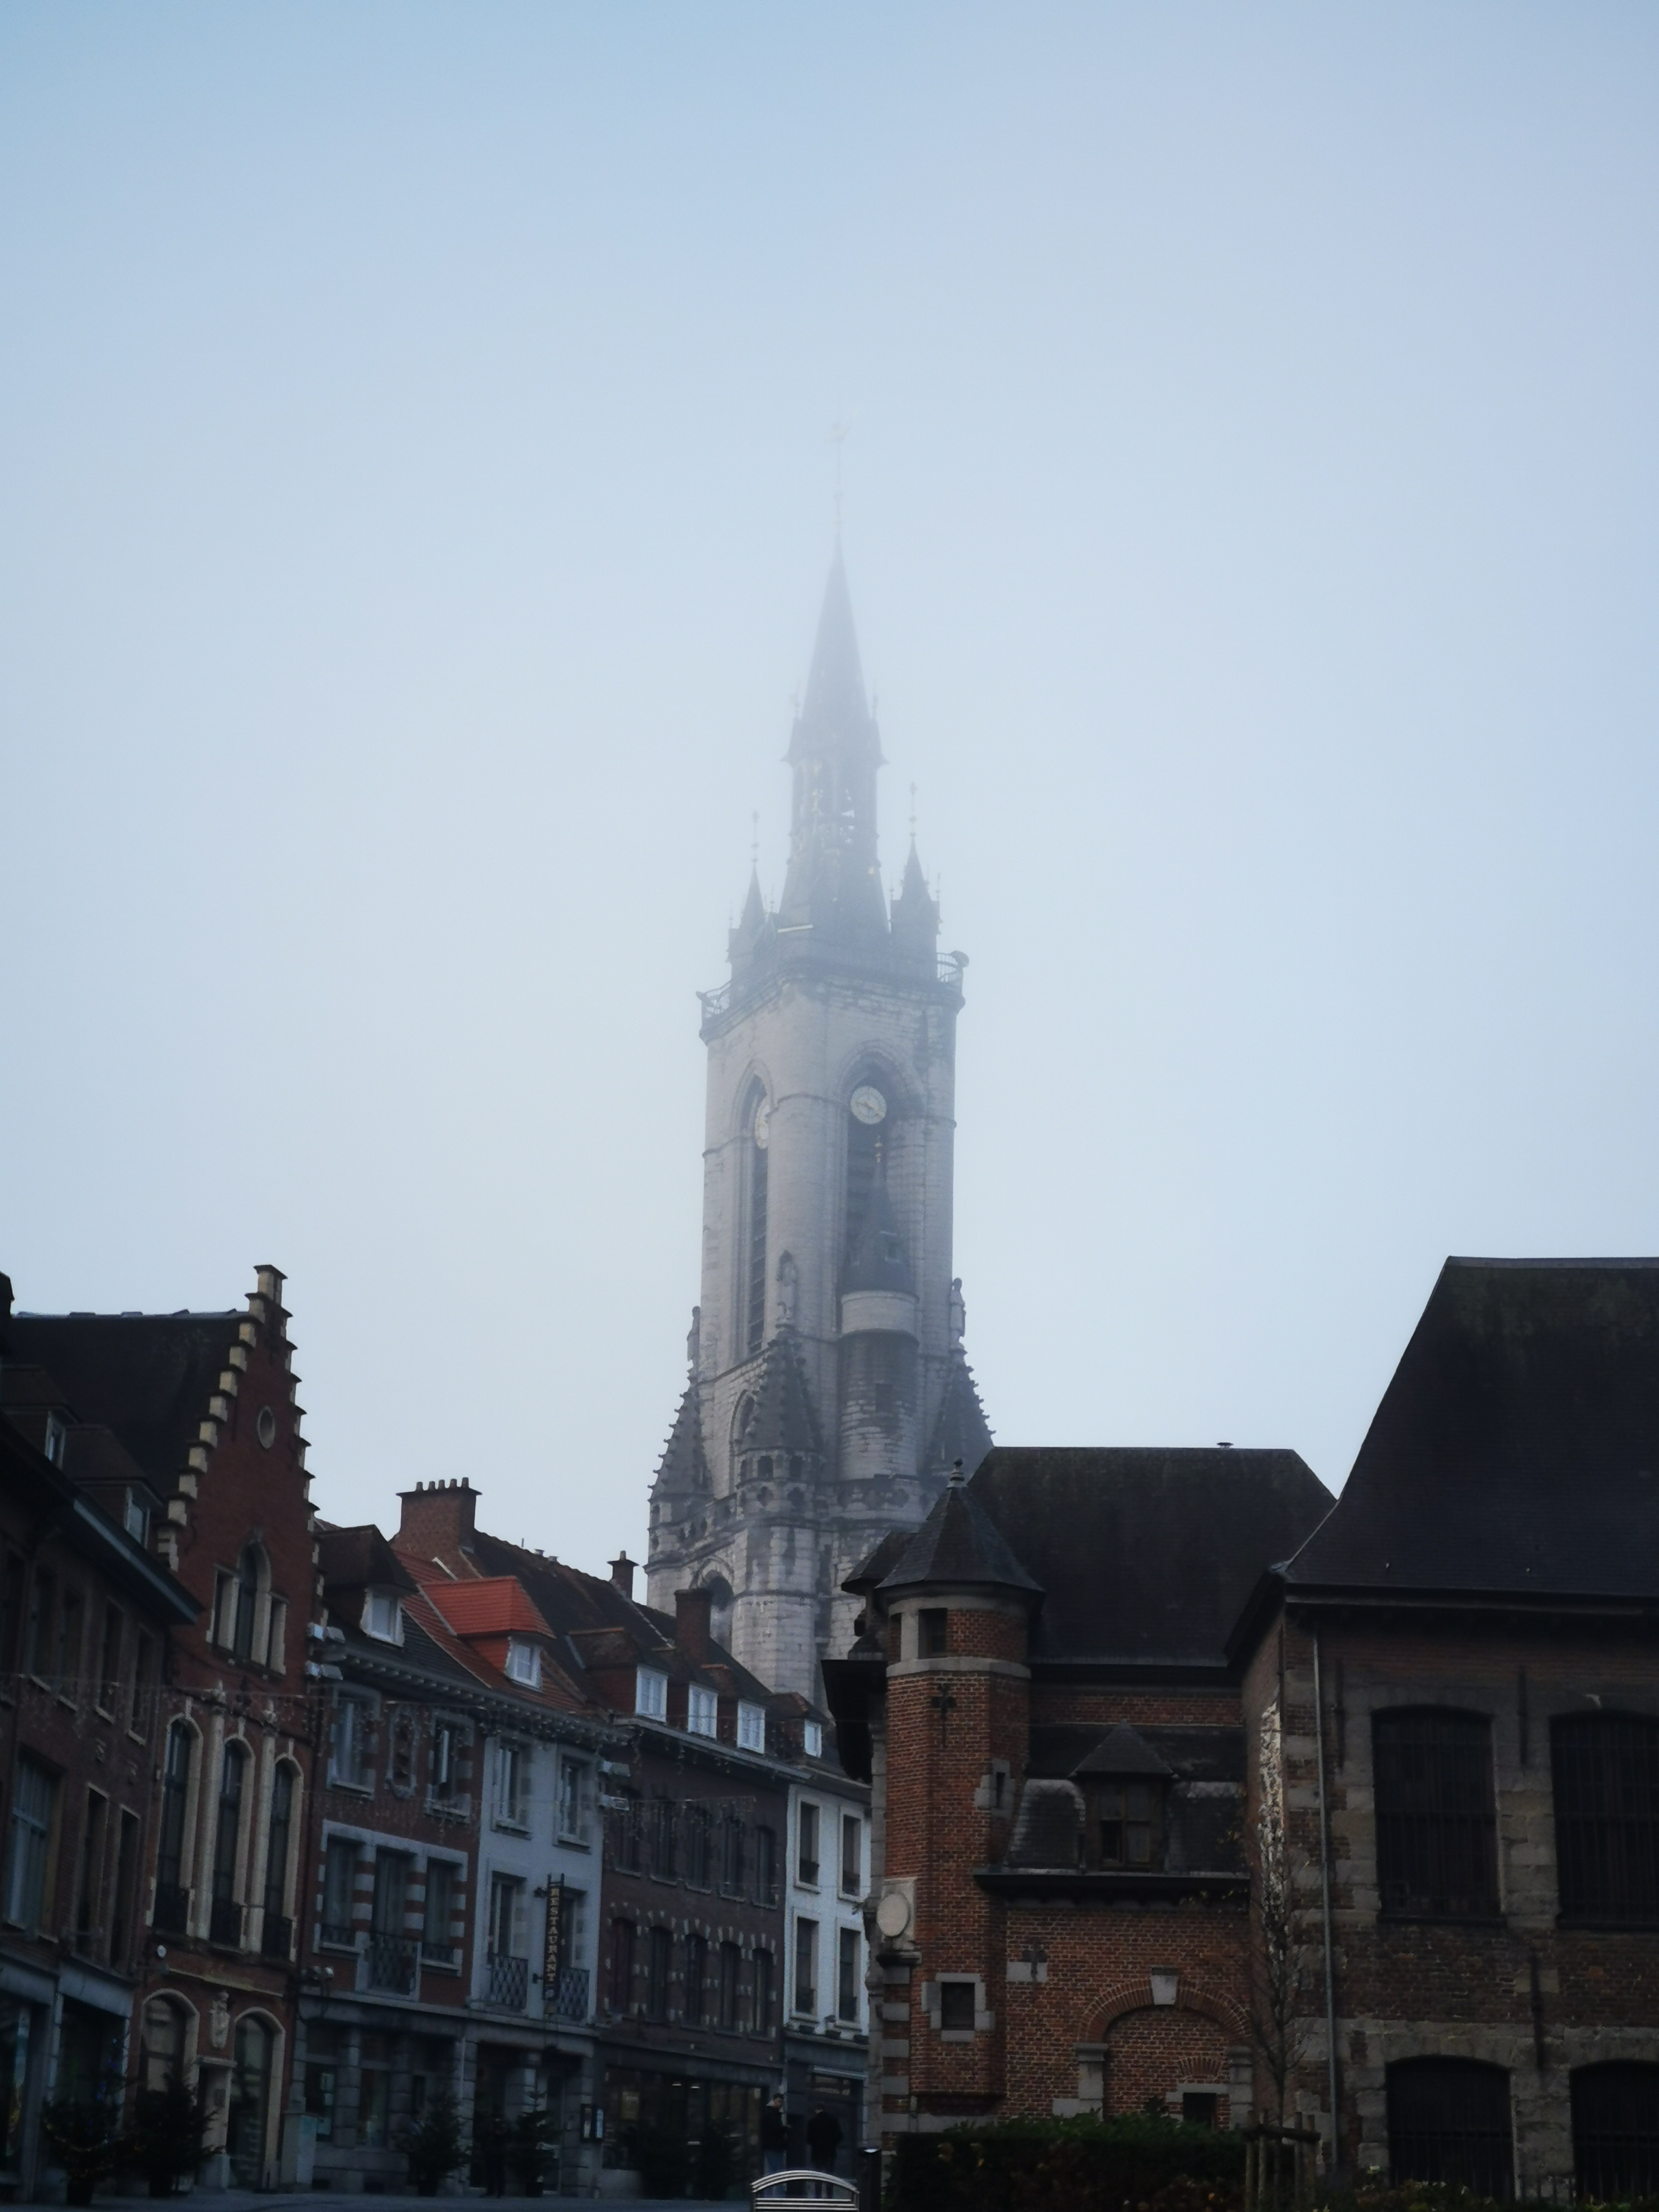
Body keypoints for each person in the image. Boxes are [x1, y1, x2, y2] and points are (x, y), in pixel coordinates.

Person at [806, 2105, 842, 2185]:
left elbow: (809, 2138)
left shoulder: (813, 2122)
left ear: (817, 2110)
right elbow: (839, 2136)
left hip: (817, 2152)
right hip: (830, 2152)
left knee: (818, 2175)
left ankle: (818, 2191)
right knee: (830, 2175)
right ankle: (829, 2191)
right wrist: (833, 2144)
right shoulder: (833, 2121)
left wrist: (815, 2144)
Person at [760, 2092, 789, 2176]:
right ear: (774, 2101)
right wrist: (784, 2128)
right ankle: (777, 2186)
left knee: (771, 2170)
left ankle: (768, 2185)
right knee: (778, 2171)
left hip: (769, 2145)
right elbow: (775, 2129)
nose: (780, 2105)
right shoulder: (773, 2114)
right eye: (779, 2102)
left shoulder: (767, 2112)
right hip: (775, 2146)